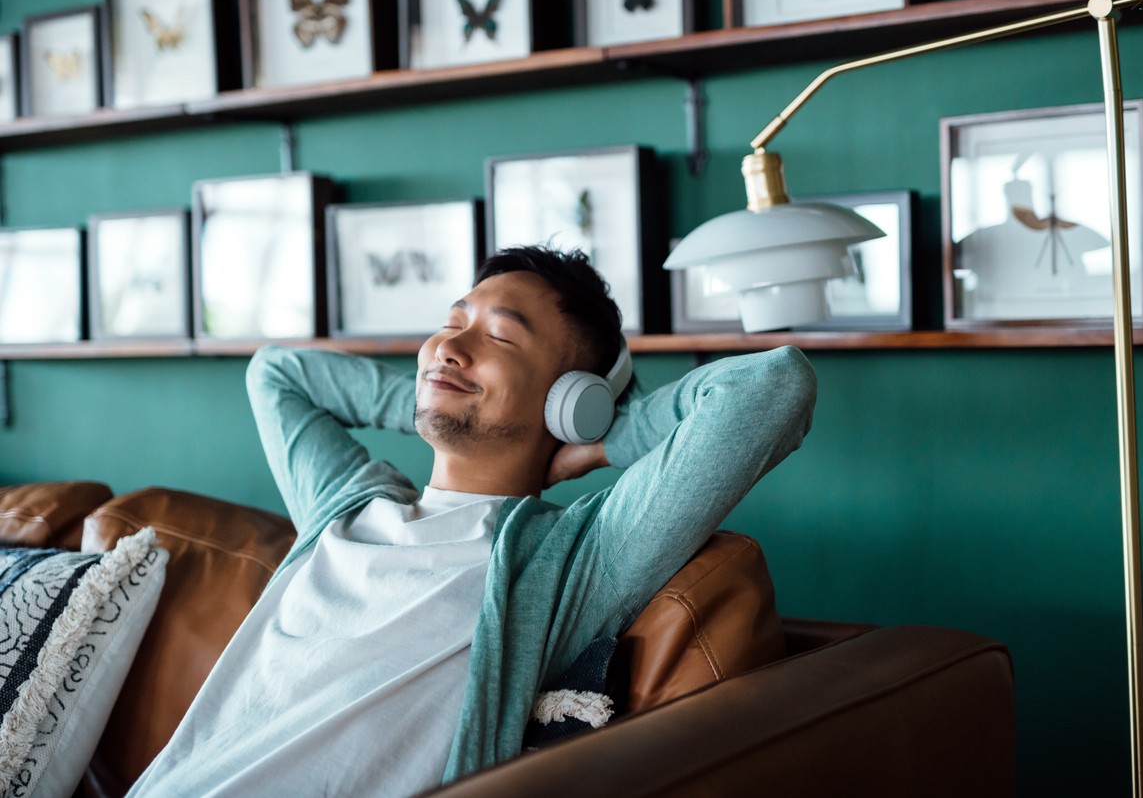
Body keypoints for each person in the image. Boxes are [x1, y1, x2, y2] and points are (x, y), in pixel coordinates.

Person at [128, 245, 816, 796]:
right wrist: (439, 391)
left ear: (568, 400)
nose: (450, 345)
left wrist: (603, 436)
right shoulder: (348, 504)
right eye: (453, 322)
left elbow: (771, 387)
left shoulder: (572, 557)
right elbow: (275, 373)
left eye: (499, 339)